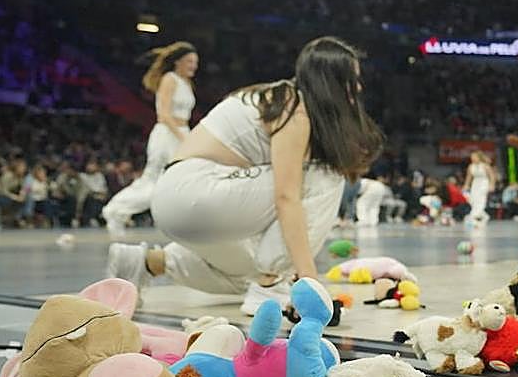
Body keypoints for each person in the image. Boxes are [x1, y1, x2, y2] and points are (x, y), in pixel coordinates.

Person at [106, 36, 383, 315]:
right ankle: (270, 285)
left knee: (245, 275)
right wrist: (310, 280)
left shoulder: (280, 98)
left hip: (176, 203)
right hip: (196, 190)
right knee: (324, 176)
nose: (357, 89)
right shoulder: (294, 108)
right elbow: (287, 197)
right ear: (333, 83)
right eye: (352, 80)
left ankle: (144, 262)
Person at [101, 42, 198, 238]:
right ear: (178, 62)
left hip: (182, 131)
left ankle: (182, 221)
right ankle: (115, 211)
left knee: (184, 177)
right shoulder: (169, 79)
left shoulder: (186, 83)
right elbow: (163, 113)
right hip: (167, 134)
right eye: (189, 61)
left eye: (195, 62)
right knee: (154, 181)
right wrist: (181, 136)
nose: (193, 66)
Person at [465, 150, 495, 225]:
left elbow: (492, 176)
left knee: (481, 199)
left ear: (479, 157)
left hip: (484, 183)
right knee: (473, 200)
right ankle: (484, 215)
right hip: (475, 184)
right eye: (472, 157)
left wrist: (492, 185)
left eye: (474, 157)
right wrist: (466, 185)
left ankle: (475, 215)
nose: (473, 158)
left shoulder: (485, 166)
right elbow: (469, 177)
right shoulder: (470, 166)